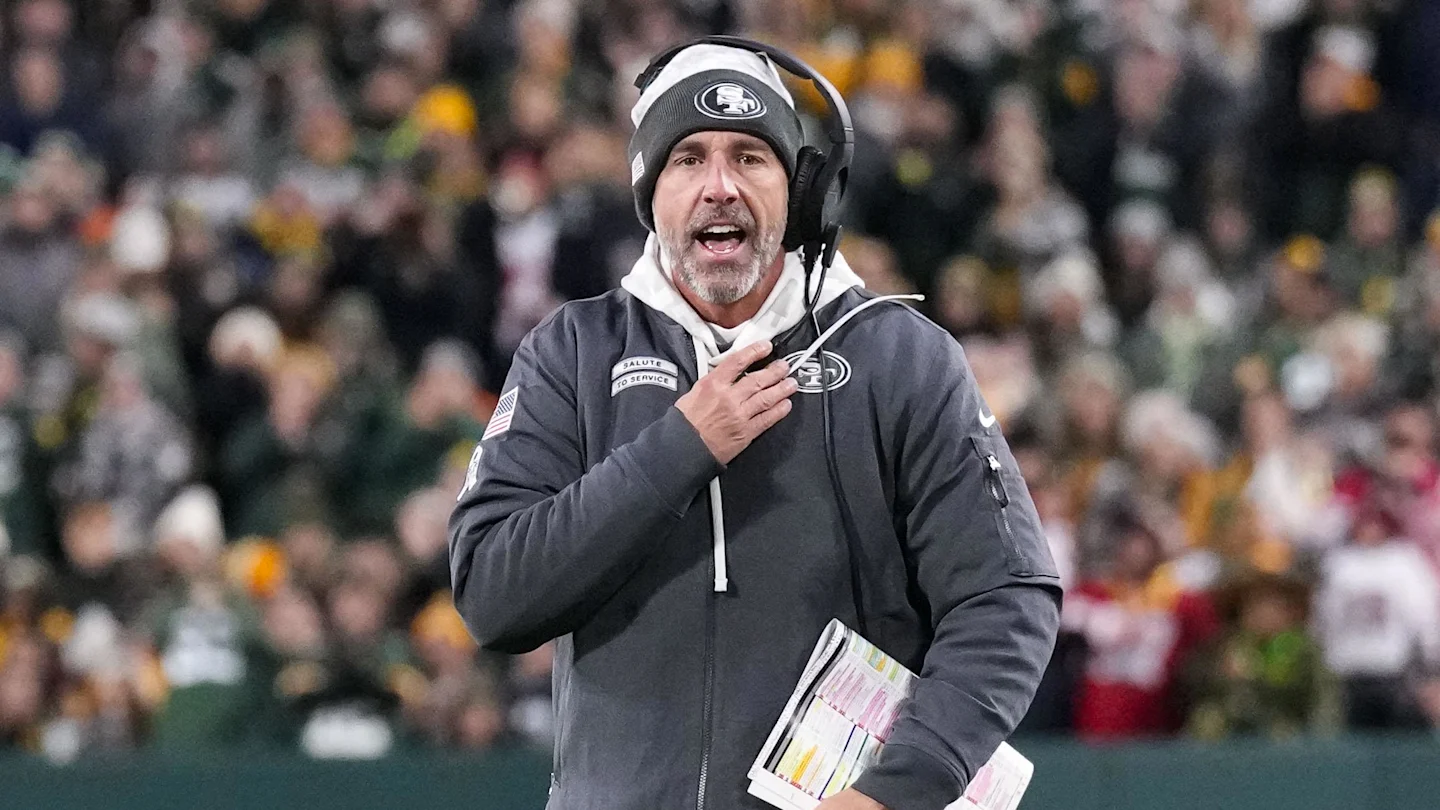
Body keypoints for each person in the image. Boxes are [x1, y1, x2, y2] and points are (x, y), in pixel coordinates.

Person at [449, 38, 1061, 810]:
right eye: (688, 159)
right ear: (649, 191)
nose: (720, 187)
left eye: (749, 157)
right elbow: (493, 594)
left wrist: (897, 792)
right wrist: (678, 448)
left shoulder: (899, 356)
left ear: (801, 192)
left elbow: (1007, 597)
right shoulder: (571, 352)